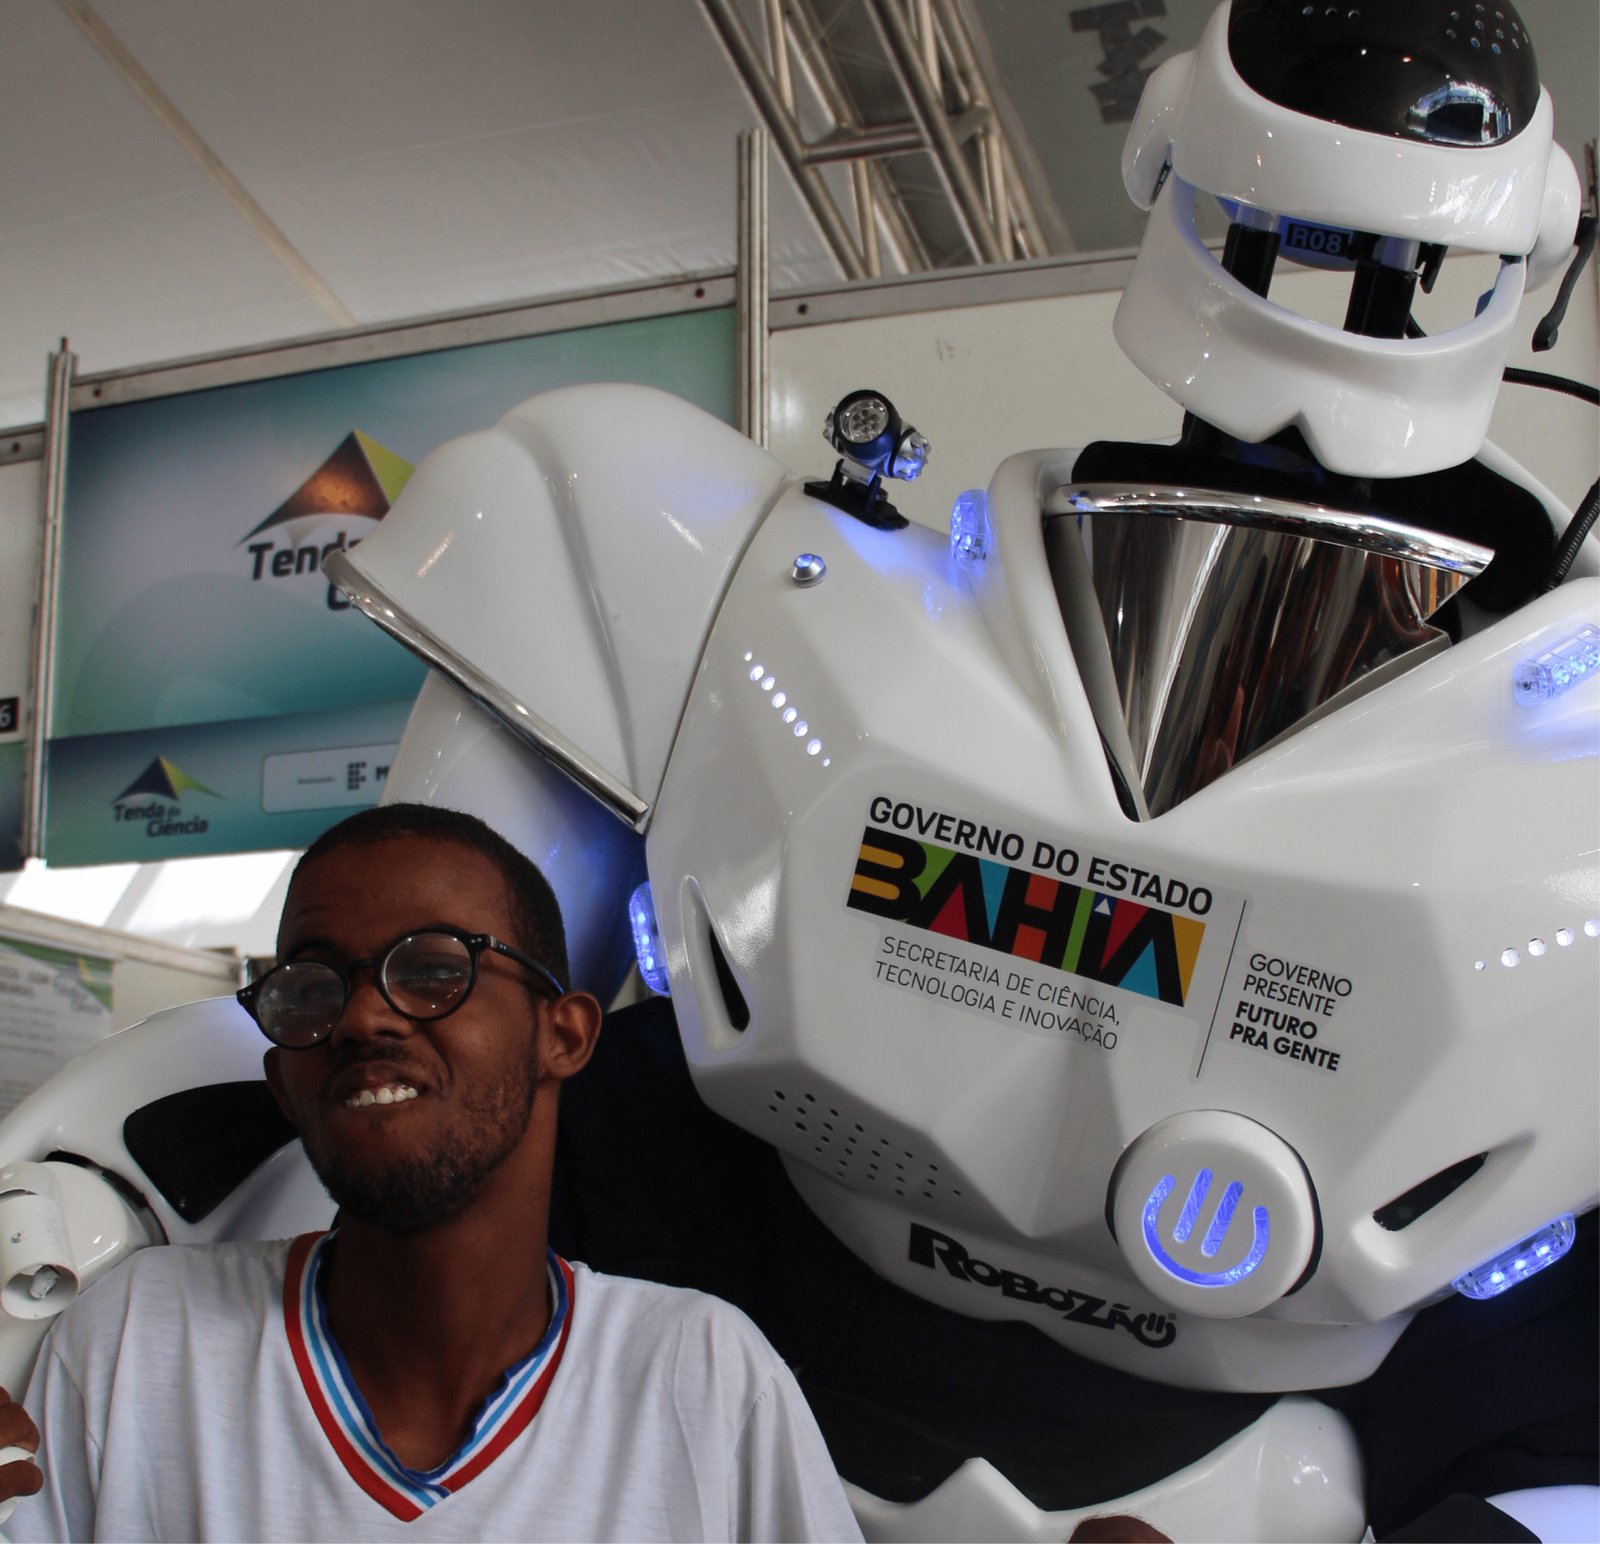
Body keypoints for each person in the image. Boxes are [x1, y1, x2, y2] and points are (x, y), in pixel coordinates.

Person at [0, 802, 863, 1542]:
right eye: (311, 987)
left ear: (563, 1035)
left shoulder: (702, 1377)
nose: (364, 1015)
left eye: (433, 969)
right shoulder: (139, 1344)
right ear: (284, 1081)